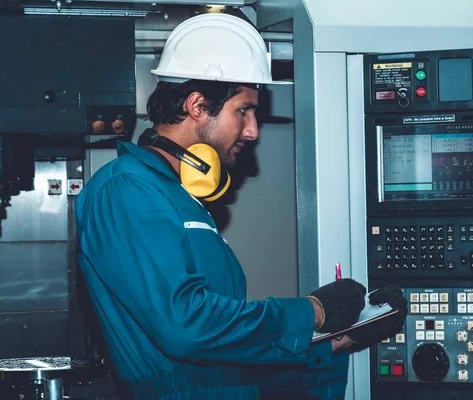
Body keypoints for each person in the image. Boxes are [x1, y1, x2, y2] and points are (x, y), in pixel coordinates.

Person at [75, 12, 407, 400]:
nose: (252, 130)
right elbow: (186, 326)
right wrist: (311, 312)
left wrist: (337, 340)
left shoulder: (178, 196)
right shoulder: (126, 190)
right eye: (243, 111)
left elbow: (224, 359)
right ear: (197, 105)